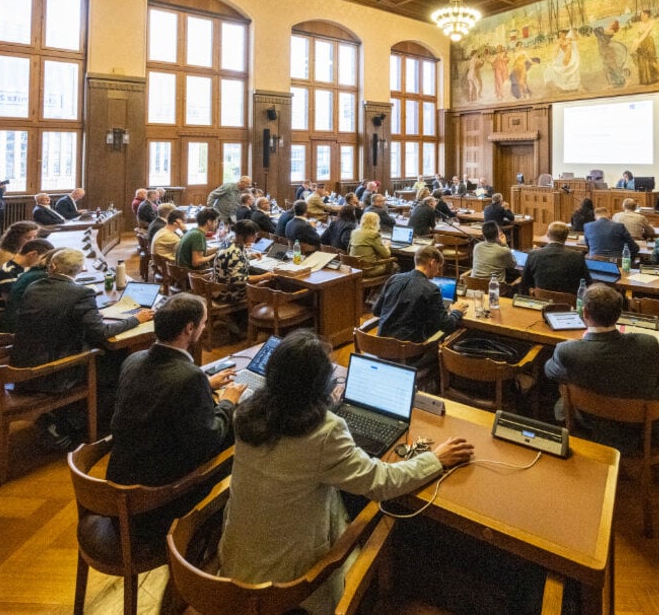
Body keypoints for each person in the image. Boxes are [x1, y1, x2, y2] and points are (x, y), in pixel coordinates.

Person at [219, 329, 473, 613]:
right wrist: (435, 459)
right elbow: (382, 483)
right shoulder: (325, 432)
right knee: (381, 515)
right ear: (320, 386)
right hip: (286, 588)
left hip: (234, 565)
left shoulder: (245, 413)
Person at [106, 293, 245, 535]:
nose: (204, 327)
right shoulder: (189, 377)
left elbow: (159, 392)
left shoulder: (133, 360)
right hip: (156, 499)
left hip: (121, 481)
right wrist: (228, 401)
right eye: (203, 323)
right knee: (239, 427)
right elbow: (209, 438)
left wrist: (205, 383)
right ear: (189, 329)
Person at [12, 248, 154, 445]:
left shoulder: (34, 286)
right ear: (80, 269)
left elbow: (56, 314)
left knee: (109, 356)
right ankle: (74, 422)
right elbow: (102, 333)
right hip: (51, 372)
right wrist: (136, 319)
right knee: (121, 364)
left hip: (23, 362)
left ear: (52, 266)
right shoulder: (81, 293)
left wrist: (91, 314)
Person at [545, 284, 659, 454]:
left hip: (588, 428)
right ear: (619, 314)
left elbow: (550, 372)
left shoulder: (568, 350)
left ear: (585, 313)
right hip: (640, 432)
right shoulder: (648, 344)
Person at [373, 245, 468, 342]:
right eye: (438, 268)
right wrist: (456, 312)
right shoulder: (432, 289)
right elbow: (446, 326)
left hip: (380, 343)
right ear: (432, 263)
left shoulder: (394, 279)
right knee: (444, 333)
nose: (438, 272)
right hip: (410, 348)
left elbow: (376, 311)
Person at [518, 222, 591, 295]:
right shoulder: (577, 256)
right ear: (566, 237)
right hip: (568, 301)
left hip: (541, 299)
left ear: (547, 234)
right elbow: (588, 282)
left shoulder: (533, 254)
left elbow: (525, 281)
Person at [0, 238, 53, 313]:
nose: (46, 264)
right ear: (33, 254)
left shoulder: (21, 268)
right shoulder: (6, 273)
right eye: (46, 260)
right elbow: (14, 302)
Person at [214, 220, 267, 302]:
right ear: (243, 236)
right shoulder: (234, 252)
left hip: (217, 288)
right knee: (268, 286)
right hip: (228, 293)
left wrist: (250, 255)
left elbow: (231, 259)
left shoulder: (230, 240)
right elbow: (239, 279)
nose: (255, 238)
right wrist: (265, 276)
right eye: (253, 236)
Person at [631, 10, 659, 85]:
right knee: (642, 60)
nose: (642, 17)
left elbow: (646, 33)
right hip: (640, 42)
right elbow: (637, 35)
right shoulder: (640, 24)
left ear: (648, 15)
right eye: (641, 15)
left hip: (648, 42)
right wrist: (634, 44)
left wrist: (638, 42)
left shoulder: (651, 22)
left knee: (651, 59)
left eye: (644, 15)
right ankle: (646, 80)